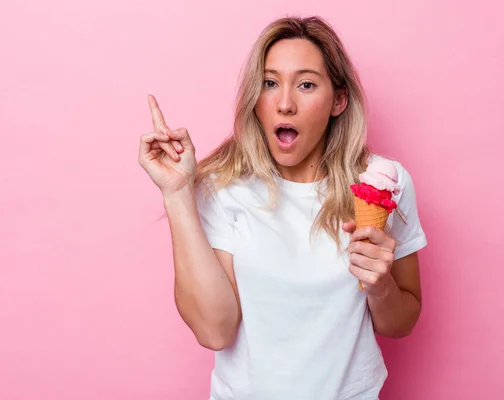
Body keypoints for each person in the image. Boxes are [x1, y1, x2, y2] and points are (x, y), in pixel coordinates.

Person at [138, 15, 427, 400]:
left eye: (306, 84)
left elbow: (401, 323)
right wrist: (177, 195)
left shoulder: (383, 183)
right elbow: (214, 330)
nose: (285, 103)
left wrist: (380, 286)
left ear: (339, 100)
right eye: (270, 83)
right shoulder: (224, 188)